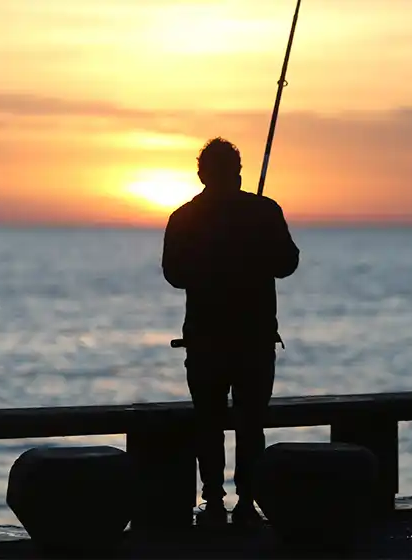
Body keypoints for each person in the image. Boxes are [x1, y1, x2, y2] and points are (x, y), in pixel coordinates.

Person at [162, 137, 300, 527]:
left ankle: (212, 500)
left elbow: (174, 274)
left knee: (207, 421)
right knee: (251, 423)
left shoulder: (183, 217)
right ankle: (247, 502)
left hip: (205, 339)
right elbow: (287, 263)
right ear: (237, 172)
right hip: (253, 339)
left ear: (202, 174)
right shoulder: (263, 210)